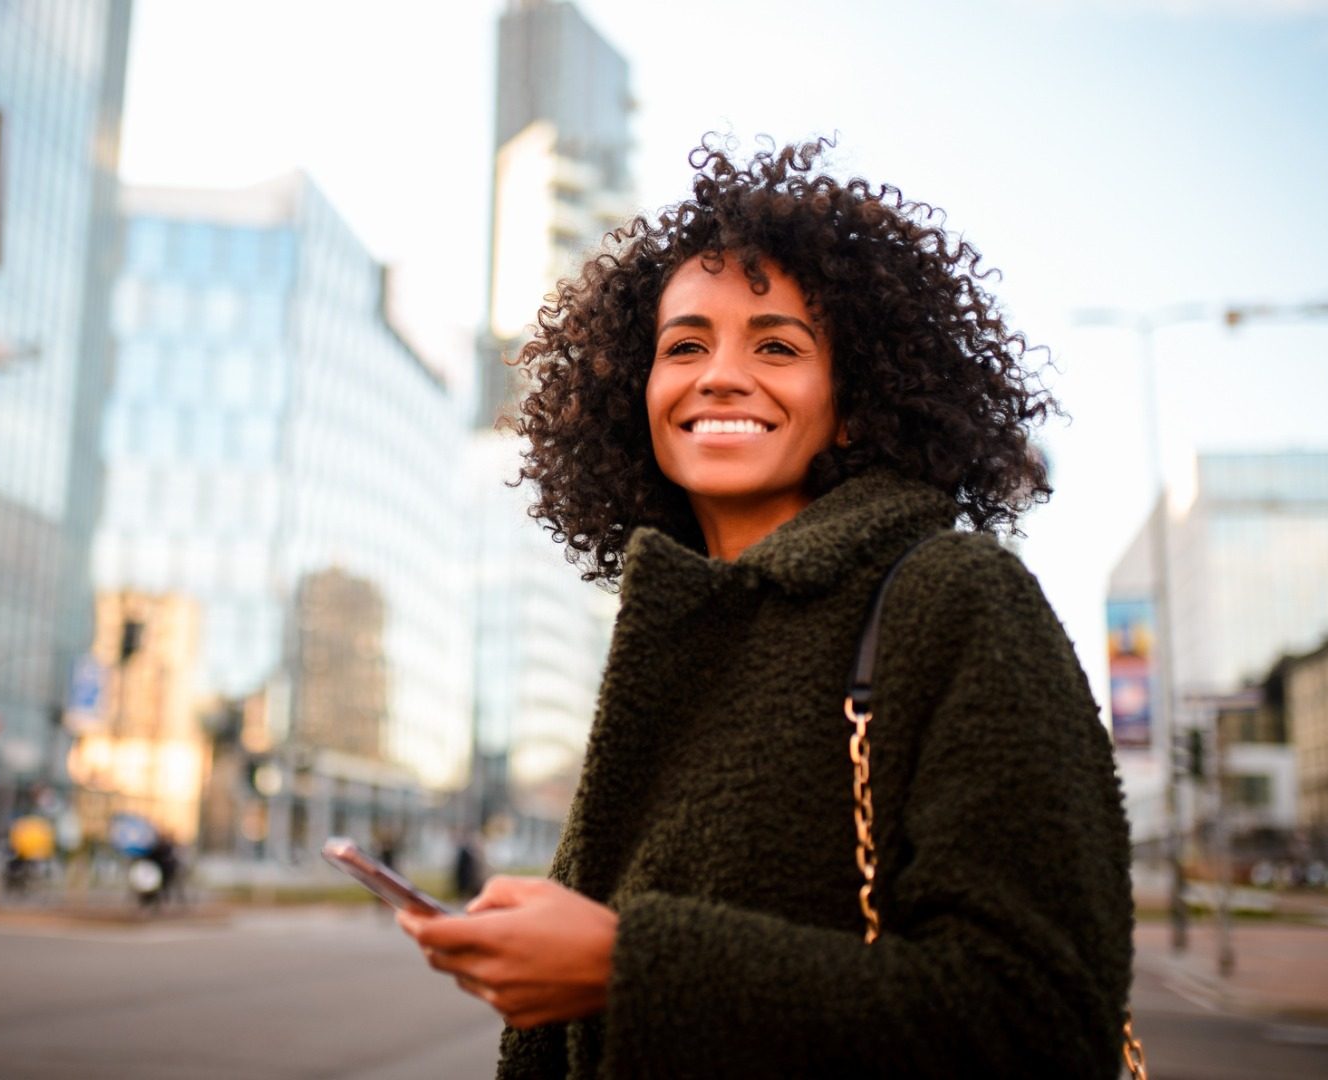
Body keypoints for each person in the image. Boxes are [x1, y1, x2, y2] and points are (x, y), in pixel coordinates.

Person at [397, 138, 1135, 1078]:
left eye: (777, 345)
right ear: (640, 392)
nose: (719, 376)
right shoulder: (671, 638)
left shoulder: (956, 599)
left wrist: (626, 966)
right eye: (685, 346)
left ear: (857, 400)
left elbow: (1038, 1018)